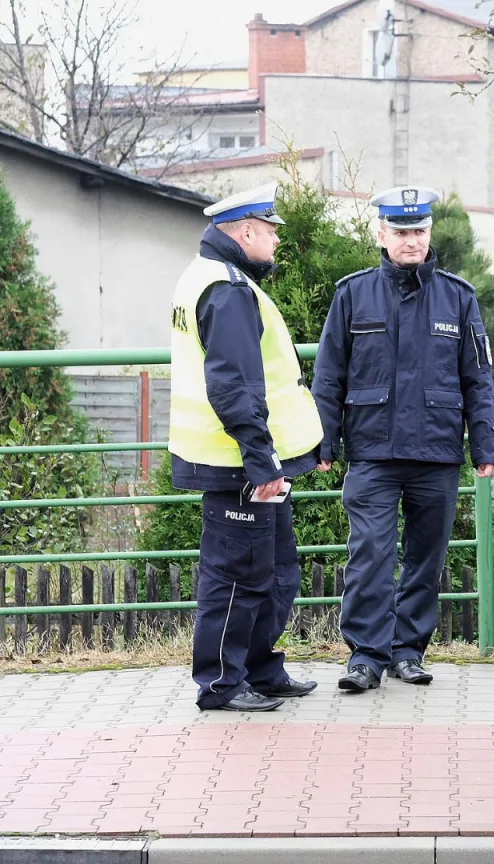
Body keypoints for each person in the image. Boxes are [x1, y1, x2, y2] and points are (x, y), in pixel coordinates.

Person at [312, 185, 494, 693]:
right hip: (373, 450)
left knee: (426, 558)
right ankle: (366, 657)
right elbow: (329, 375)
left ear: (429, 232)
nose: (411, 240)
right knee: (370, 555)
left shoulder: (458, 297)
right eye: (401, 232)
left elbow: (478, 379)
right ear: (381, 235)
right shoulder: (353, 295)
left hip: (436, 451)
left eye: (419, 230)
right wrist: (324, 442)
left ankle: (408, 651)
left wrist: (485, 445)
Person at [168, 182, 322, 712]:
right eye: (271, 230)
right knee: (236, 579)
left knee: (274, 572)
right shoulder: (227, 289)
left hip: (243, 458)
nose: (277, 239)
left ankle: (261, 671)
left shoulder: (209, 276)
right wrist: (261, 460)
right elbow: (234, 386)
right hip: (237, 461)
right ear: (247, 232)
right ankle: (222, 686)